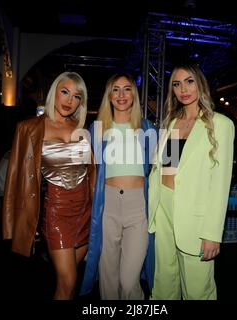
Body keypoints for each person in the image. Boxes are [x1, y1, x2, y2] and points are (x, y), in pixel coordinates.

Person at [2, 71, 95, 299]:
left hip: (86, 211)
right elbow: (15, 177)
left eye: (76, 96)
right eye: (65, 92)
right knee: (68, 281)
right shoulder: (29, 128)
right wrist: (11, 223)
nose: (69, 100)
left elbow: (93, 172)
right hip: (58, 211)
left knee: (70, 284)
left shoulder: (83, 129)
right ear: (55, 92)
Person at [148, 62, 235, 300]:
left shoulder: (220, 125)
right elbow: (165, 168)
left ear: (201, 85)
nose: (183, 89)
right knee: (164, 283)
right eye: (176, 84)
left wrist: (212, 233)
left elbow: (220, 185)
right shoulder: (172, 122)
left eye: (189, 81)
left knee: (197, 290)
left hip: (195, 215)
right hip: (163, 207)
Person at [80, 73, 157, 300]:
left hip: (137, 206)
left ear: (134, 94)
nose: (121, 95)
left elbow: (165, 172)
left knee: (128, 279)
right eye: (116, 89)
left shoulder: (148, 128)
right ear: (109, 96)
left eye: (127, 89)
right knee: (108, 278)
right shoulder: (97, 130)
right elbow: (89, 174)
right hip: (107, 205)